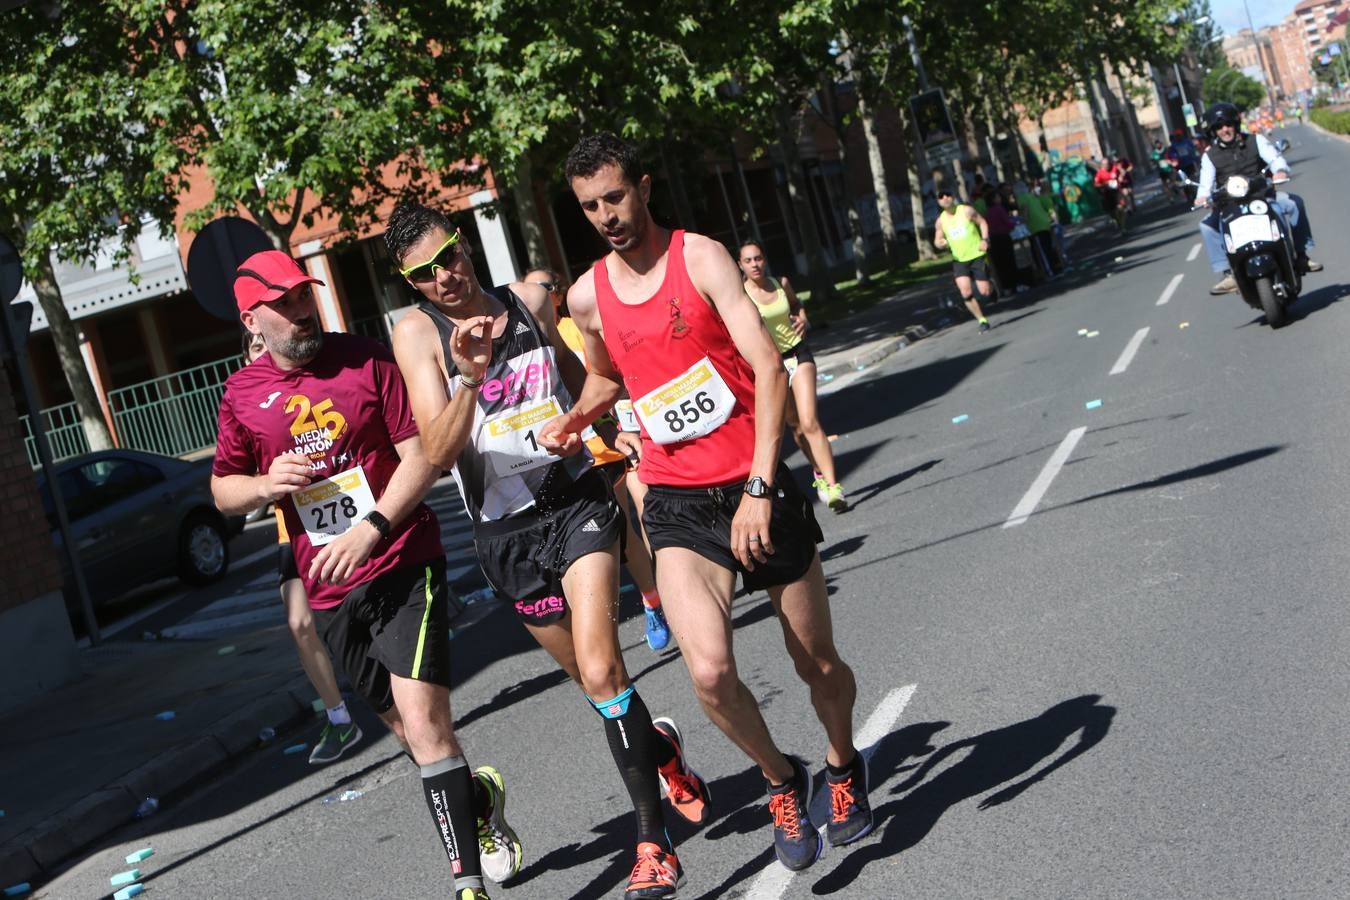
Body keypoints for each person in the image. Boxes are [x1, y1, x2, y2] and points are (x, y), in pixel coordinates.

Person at [544, 133, 870, 874]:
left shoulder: (701, 258)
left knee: (816, 663)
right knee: (712, 675)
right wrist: (573, 420)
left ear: (645, 187)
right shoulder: (587, 295)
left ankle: (844, 765)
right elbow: (606, 380)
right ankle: (782, 780)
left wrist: (759, 485)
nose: (606, 216)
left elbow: (768, 365)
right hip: (679, 504)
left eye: (616, 198)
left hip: (754, 484)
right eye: (591, 206)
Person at [386, 205, 707, 900]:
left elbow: (590, 375)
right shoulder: (417, 337)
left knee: (602, 664)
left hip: (575, 502)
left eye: (449, 257)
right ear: (409, 284)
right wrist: (468, 377)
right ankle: (663, 751)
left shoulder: (528, 301)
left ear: (465, 246)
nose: (445, 276)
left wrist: (590, 422)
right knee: (597, 689)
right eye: (424, 272)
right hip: (504, 537)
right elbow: (438, 457)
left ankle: (654, 845)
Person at [212, 251, 513, 900]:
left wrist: (372, 525)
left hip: (402, 558)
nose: (301, 310)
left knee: (427, 724)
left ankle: (466, 886)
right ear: (251, 319)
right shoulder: (241, 397)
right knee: (410, 733)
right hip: (329, 589)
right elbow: (221, 491)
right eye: (284, 303)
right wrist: (265, 484)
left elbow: (421, 457)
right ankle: (478, 799)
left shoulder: (365, 360)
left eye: (304, 296)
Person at [523, 264, 673, 653]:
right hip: (563, 452)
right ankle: (652, 599)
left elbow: (606, 378)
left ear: (557, 294)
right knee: (615, 537)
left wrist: (610, 424)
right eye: (535, 287)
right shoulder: (527, 343)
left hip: (604, 441)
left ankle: (658, 596)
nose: (543, 293)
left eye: (549, 286)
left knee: (632, 521)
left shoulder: (575, 328)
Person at [242, 332, 362, 766]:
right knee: (298, 621)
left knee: (361, 608)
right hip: (291, 529)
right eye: (254, 347)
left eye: (265, 344)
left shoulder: (310, 384)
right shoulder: (246, 403)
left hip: (345, 510)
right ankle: (339, 716)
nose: (263, 351)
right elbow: (238, 478)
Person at [736, 242, 848, 514]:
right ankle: (819, 472)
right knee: (796, 427)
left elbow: (797, 305)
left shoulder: (780, 283)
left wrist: (801, 318)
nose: (755, 264)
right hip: (771, 366)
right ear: (740, 265)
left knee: (810, 421)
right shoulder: (741, 295)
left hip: (798, 354)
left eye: (758, 258)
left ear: (765, 259)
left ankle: (834, 487)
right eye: (748, 260)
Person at [1195, 102, 1322, 296]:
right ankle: (1228, 273)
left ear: (1235, 125)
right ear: (1214, 131)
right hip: (1229, 205)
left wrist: (1279, 171)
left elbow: (1275, 159)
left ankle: (1302, 255)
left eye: (1228, 124)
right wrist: (1202, 197)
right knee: (1206, 225)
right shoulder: (1210, 156)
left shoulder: (1257, 140)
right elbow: (1205, 183)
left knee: (1292, 203)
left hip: (1262, 197)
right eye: (1219, 127)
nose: (1225, 130)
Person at [933, 189, 994, 332]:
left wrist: (985, 239)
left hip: (977, 255)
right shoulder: (940, 221)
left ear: (953, 197)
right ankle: (982, 320)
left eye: (948, 194)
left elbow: (983, 222)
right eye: (941, 197)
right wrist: (940, 243)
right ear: (939, 201)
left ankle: (992, 286)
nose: (945, 198)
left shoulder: (966, 211)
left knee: (985, 292)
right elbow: (937, 240)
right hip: (959, 260)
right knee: (965, 292)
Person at [1014, 180, 1062, 279]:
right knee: (1049, 247)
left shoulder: (1021, 199)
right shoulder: (1031, 196)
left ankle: (1050, 271)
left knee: (1042, 251)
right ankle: (1056, 268)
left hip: (1036, 227)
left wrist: (1022, 221)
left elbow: (1025, 213)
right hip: (1044, 222)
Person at [1092, 158, 1127, 232]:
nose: (1106, 166)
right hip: (1107, 194)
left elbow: (1122, 171)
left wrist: (1121, 176)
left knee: (1121, 209)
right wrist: (1104, 184)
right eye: (1104, 165)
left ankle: (1123, 228)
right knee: (1113, 212)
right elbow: (1096, 184)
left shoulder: (1114, 168)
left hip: (1117, 192)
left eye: (1107, 164)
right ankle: (1117, 221)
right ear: (1102, 165)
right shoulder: (1100, 173)